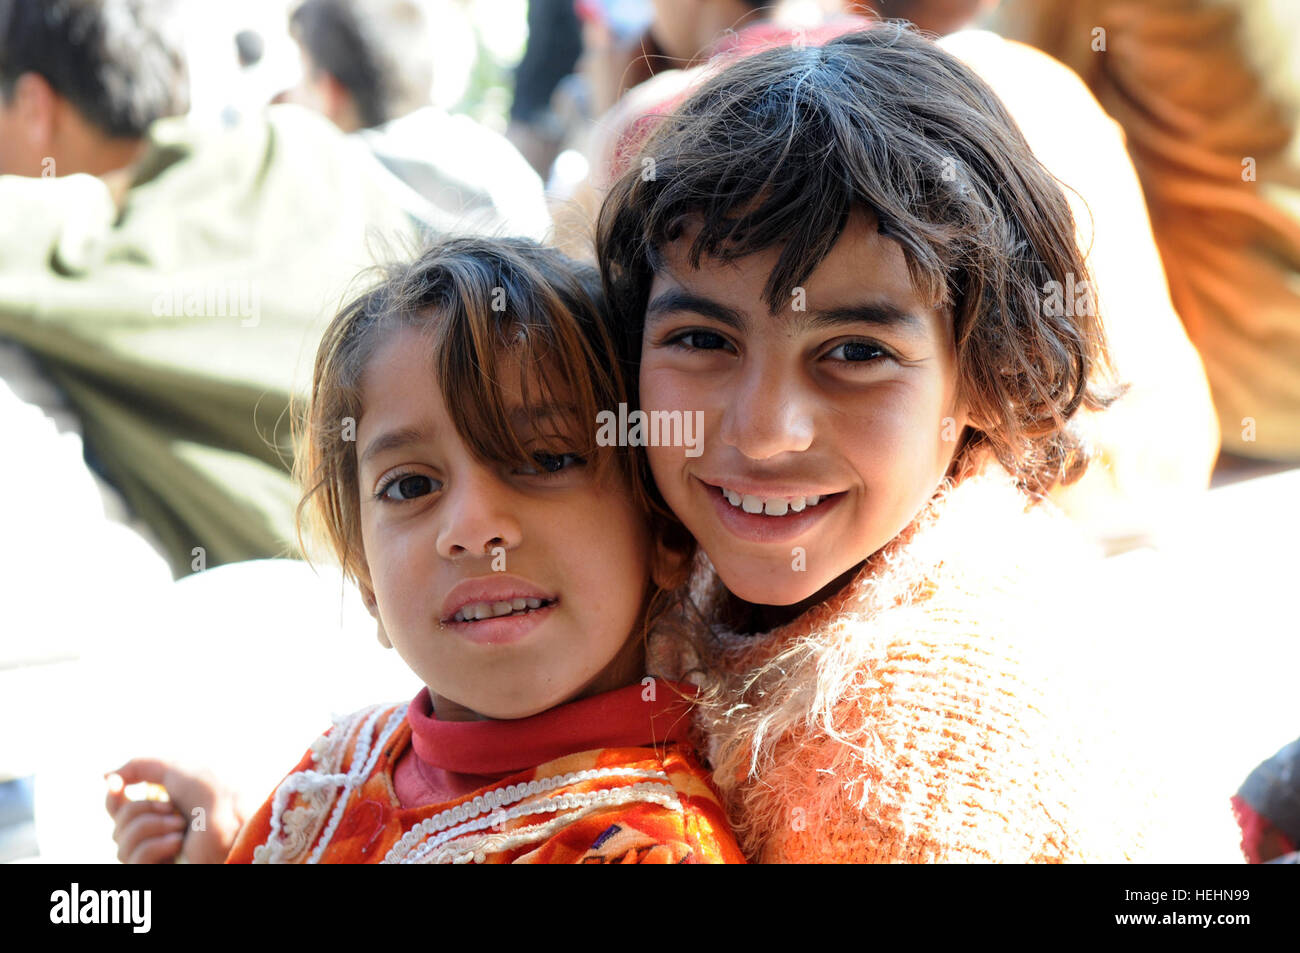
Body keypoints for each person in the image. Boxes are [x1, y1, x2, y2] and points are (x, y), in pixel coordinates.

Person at [599, 25, 1176, 861]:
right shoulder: (686, 579)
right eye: (702, 340)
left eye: (856, 354)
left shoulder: (918, 748)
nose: (764, 432)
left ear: (988, 376)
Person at [196, 238, 741, 863]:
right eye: (411, 486)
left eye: (546, 460)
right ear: (365, 574)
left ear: (666, 530)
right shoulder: (338, 768)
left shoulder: (643, 846)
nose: (474, 527)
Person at [281, 0, 552, 242]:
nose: (290, 93)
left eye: (302, 77)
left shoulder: (331, 177)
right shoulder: (494, 152)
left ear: (330, 92)